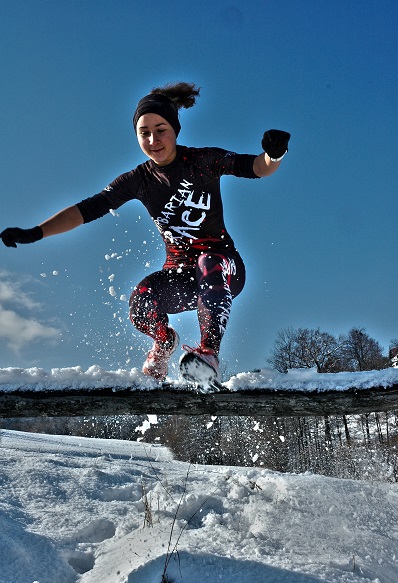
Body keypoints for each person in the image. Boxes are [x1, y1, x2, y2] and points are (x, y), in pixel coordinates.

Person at [0, 82, 290, 387]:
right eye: (144, 132)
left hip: (224, 269)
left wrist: (274, 154)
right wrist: (36, 232)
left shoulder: (203, 161)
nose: (153, 139)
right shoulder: (138, 180)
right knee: (140, 300)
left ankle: (208, 356)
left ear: (175, 130)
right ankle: (164, 343)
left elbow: (257, 167)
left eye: (160, 129)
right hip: (181, 275)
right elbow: (87, 209)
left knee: (209, 263)